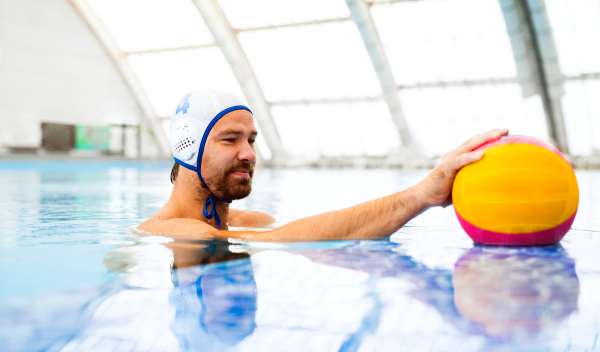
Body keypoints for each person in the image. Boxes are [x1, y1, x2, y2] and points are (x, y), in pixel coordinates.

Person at [138, 89, 509, 241]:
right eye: (229, 139)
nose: (249, 153)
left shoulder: (254, 220)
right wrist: (418, 196)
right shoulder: (173, 231)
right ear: (187, 148)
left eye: (251, 140)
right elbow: (286, 240)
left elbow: (317, 229)